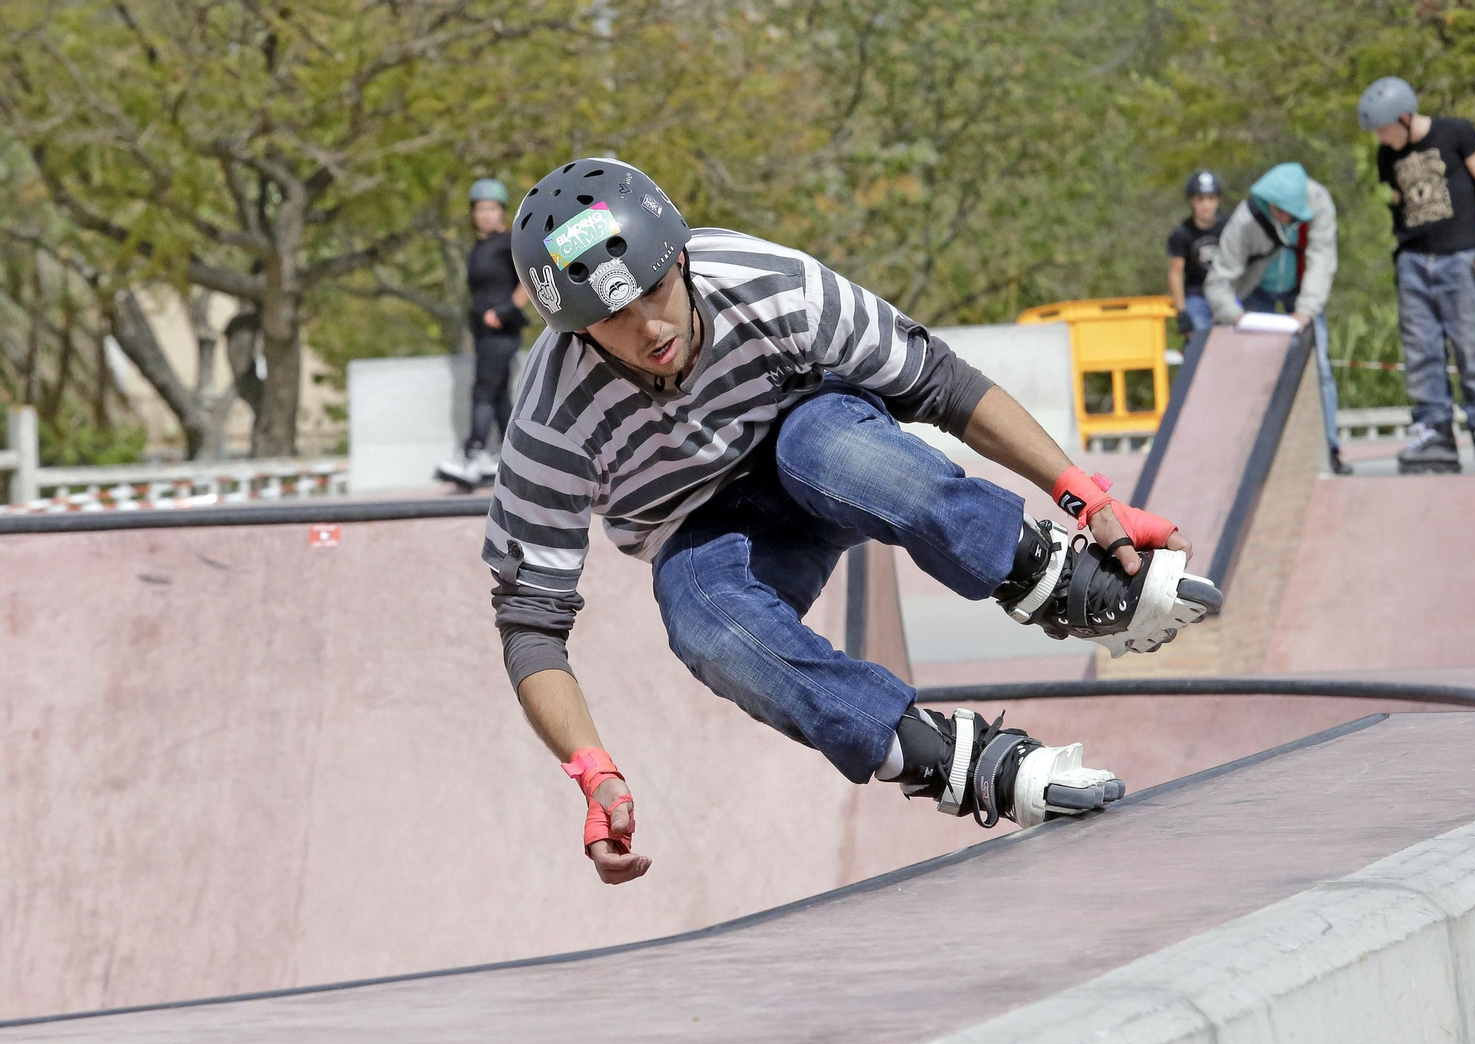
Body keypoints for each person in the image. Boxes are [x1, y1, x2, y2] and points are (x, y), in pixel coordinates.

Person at [487, 159, 1222, 884]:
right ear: (577, 331)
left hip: (821, 450)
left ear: (678, 256)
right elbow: (530, 624)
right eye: (615, 316)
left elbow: (942, 384)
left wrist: (1086, 497)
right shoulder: (550, 421)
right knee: (700, 618)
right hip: (703, 533)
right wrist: (592, 769)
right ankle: (944, 759)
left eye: (654, 290)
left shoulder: (770, 284)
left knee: (823, 447)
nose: (650, 328)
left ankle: (1049, 576)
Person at [1359, 76, 1475, 474]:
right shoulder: (1386, 156)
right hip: (1413, 260)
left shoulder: (1456, 132)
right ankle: (1434, 430)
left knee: (1473, 343)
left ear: (1404, 117)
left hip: (1461, 257)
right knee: (1421, 349)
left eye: (1384, 129)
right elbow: (1397, 200)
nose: (1381, 138)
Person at [1204, 162, 1351, 476]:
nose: (1290, 218)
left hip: (1302, 292)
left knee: (1320, 369)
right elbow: (1219, 281)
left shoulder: (1319, 203)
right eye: (1283, 212)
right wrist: (1236, 316)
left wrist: (1306, 311)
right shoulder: (1245, 220)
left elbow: (1322, 258)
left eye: (1295, 212)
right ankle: (1253, 457)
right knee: (1258, 372)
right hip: (1258, 294)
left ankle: (1329, 448)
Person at [436, 178, 532, 489]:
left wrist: (505, 310)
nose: (486, 214)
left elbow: (531, 277)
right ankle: (515, 460)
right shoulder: (480, 247)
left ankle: (473, 454)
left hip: (502, 330)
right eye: (480, 209)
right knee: (501, 397)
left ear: (502, 211)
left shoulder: (508, 242)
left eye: (492, 208)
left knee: (483, 391)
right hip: (483, 333)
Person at [1166, 170, 1228, 342]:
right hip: (1197, 294)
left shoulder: (1230, 228)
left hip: (1227, 290)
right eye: (1200, 199)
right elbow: (1175, 273)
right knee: (1199, 337)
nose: (1206, 205)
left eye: (1211, 198)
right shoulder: (1182, 234)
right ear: (1192, 201)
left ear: (1218, 200)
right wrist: (1181, 313)